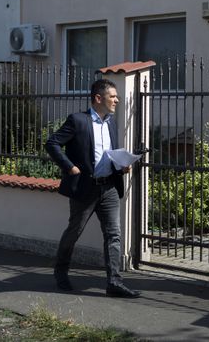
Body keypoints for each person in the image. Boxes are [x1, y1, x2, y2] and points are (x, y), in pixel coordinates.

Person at [45, 78, 140, 298]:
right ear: (98, 98)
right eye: (112, 96)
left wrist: (120, 167)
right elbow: (52, 143)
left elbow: (108, 155)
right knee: (74, 231)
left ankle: (114, 282)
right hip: (85, 189)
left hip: (109, 188)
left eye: (116, 96)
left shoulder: (111, 123)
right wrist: (69, 167)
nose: (117, 100)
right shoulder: (78, 121)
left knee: (113, 235)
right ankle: (60, 273)